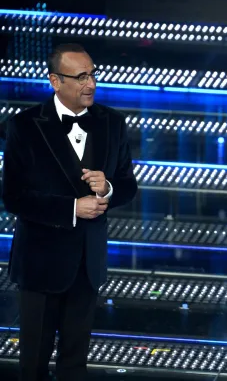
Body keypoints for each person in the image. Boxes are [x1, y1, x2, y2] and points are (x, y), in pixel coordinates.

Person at [2, 43, 138, 380]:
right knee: (33, 365)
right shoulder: (24, 125)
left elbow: (128, 185)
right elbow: (14, 197)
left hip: (88, 263)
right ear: (55, 81)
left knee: (75, 365)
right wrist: (72, 208)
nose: (90, 84)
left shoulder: (112, 122)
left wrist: (107, 188)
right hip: (40, 264)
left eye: (92, 75)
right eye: (80, 77)